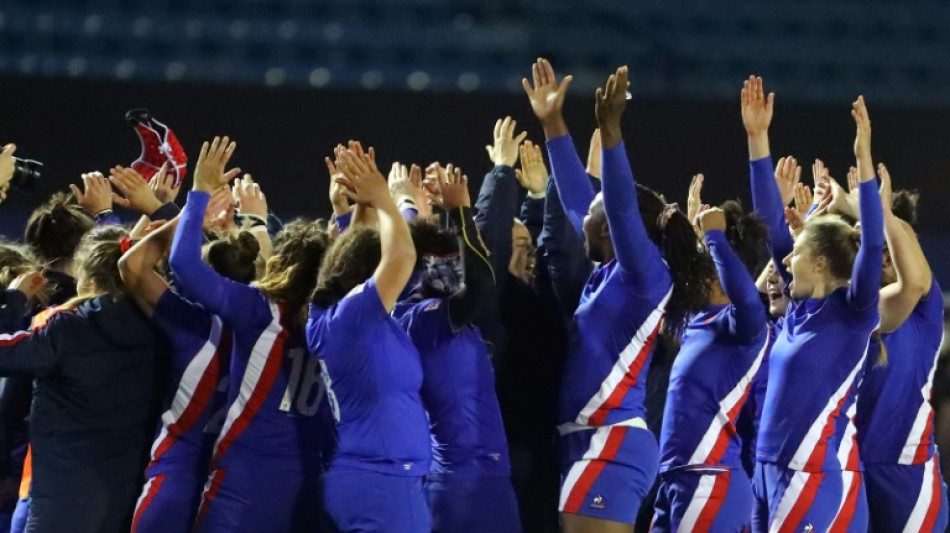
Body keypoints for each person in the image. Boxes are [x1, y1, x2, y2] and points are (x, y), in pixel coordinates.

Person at [524, 59, 709, 532]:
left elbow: (622, 205)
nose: (580, 213)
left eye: (593, 210)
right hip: (586, 441)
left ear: (607, 227)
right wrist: (552, 123)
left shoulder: (646, 275)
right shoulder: (607, 272)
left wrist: (611, 134)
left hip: (611, 443)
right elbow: (573, 198)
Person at [169, 137, 330, 533]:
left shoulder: (260, 312)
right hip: (311, 486)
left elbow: (184, 263)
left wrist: (199, 192)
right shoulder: (340, 322)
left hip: (244, 483)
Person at [746, 73, 883, 531]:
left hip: (809, 477)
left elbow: (874, 241)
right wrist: (757, 138)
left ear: (822, 262)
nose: (787, 259)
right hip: (767, 469)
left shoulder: (853, 313)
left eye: (797, 253)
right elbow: (768, 226)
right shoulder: (801, 310)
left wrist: (863, 159)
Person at [0, 225, 157, 533]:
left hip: (59, 503)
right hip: (125, 500)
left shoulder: (67, 330)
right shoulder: (162, 327)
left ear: (89, 278)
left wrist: (14, 300)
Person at [307, 142, 431, 532]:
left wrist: (362, 204)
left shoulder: (333, 315)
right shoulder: (353, 317)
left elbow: (352, 252)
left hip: (373, 476)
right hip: (384, 481)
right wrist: (386, 199)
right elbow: (402, 258)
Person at [119, 202, 264, 533]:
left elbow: (133, 266)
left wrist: (191, 213)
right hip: (239, 486)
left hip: (177, 478)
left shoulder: (192, 324)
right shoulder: (272, 330)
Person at [394, 165, 521, 533]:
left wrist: (418, 210)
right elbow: (480, 285)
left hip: (491, 477)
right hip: (459, 486)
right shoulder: (421, 317)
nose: (455, 264)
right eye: (446, 258)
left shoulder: (434, 309)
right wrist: (460, 211)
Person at [651, 198, 770, 532]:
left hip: (709, 479)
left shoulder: (743, 327)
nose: (693, 272)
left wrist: (715, 238)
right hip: (677, 476)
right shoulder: (698, 319)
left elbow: (746, 296)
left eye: (702, 264)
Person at [853, 164, 948, 531]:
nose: (879, 253)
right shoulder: (856, 309)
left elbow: (915, 276)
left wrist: (882, 212)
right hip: (852, 467)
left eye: (885, 246)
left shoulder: (925, 304)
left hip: (906, 472)